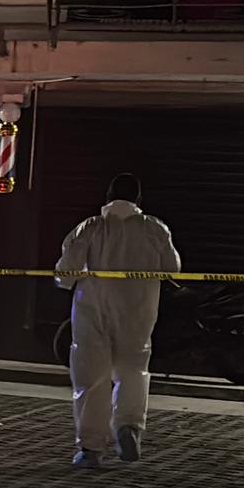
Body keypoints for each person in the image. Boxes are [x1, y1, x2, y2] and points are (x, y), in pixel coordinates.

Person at [55, 173, 181, 470]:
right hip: (138, 312)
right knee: (133, 370)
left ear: (108, 198)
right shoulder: (155, 229)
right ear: (138, 201)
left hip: (91, 311)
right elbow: (173, 268)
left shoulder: (91, 227)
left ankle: (90, 448)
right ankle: (129, 426)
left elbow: (66, 272)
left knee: (91, 378)